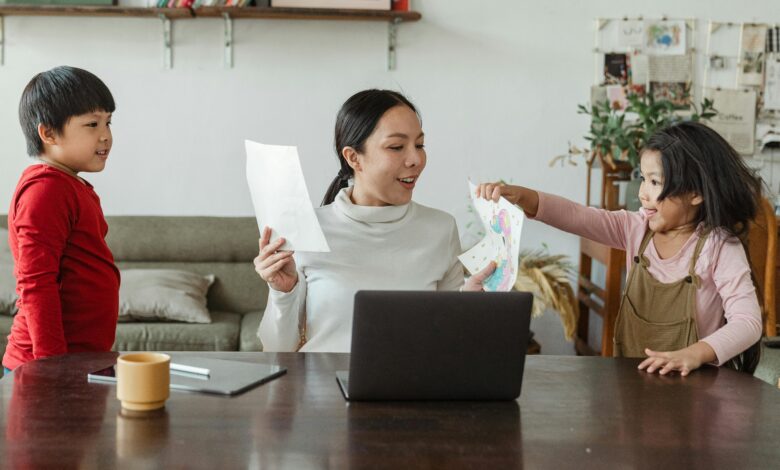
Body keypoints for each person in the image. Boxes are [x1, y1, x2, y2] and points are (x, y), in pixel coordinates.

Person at [477, 121, 763, 376]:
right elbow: (578, 216)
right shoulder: (635, 229)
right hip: (633, 385)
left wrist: (694, 354)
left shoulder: (720, 246)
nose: (643, 193)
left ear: (696, 193)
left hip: (698, 395)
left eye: (655, 182)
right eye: (643, 178)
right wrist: (524, 196)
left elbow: (748, 322)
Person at [255, 89, 493, 352]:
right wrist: (283, 292)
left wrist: (472, 307)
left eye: (420, 145)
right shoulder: (305, 230)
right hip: (322, 388)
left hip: (411, 388)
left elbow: (450, 343)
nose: (415, 159)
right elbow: (277, 351)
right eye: (396, 147)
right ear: (353, 157)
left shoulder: (440, 228)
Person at [2, 66, 120, 374]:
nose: (106, 135)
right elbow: (36, 283)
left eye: (108, 122)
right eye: (92, 124)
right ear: (49, 133)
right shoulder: (46, 190)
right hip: (48, 366)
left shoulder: (68, 185)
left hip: (80, 359)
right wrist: (52, 366)